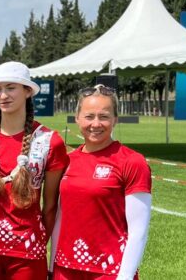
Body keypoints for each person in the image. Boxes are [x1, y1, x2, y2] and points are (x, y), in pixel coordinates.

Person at [0, 61, 69, 279]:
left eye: (11, 87)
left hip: (27, 250)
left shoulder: (50, 141)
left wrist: (40, 241)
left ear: (27, 91)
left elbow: (50, 206)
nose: (3, 95)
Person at [50, 84, 151, 280]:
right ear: (77, 118)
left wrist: (126, 276)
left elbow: (139, 229)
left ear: (115, 119)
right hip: (65, 269)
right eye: (89, 116)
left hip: (109, 272)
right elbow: (61, 217)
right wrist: (52, 267)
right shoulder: (68, 160)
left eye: (103, 116)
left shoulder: (132, 161)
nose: (95, 124)